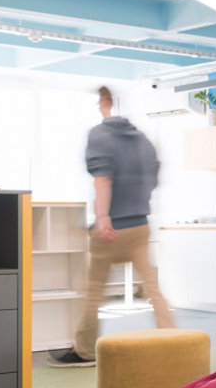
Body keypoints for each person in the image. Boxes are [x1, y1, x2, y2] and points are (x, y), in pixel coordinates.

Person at [49, 86, 174, 367]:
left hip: (112, 228)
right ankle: (173, 342)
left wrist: (103, 217)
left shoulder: (100, 134)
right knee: (153, 288)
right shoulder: (142, 138)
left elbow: (102, 179)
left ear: (103, 102)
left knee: (93, 291)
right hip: (140, 224)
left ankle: (84, 350)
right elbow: (153, 177)